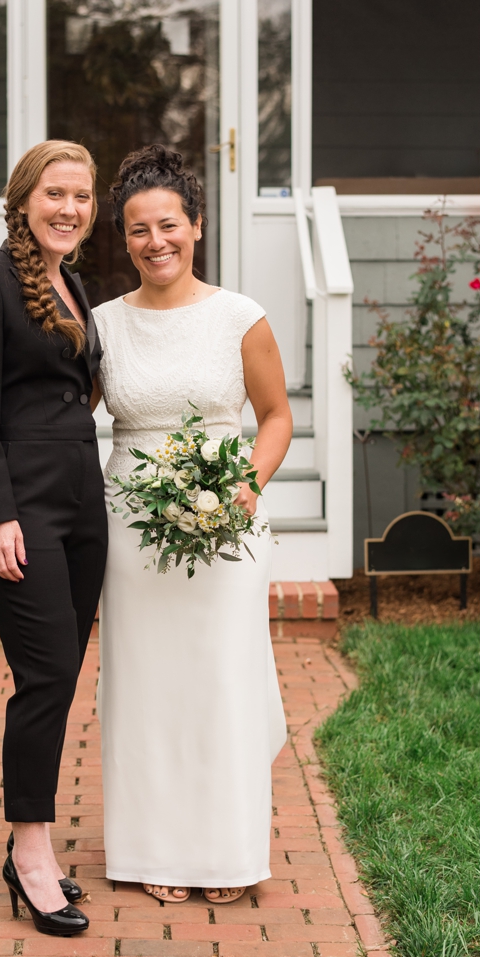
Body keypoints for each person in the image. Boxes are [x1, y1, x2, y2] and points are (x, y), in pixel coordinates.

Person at [94, 145, 292, 905]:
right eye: (138, 229)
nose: (155, 241)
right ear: (125, 237)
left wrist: (245, 484)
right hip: (131, 529)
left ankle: (227, 852)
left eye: (168, 223)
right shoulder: (104, 326)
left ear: (197, 225)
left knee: (220, 678)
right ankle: (154, 846)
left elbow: (275, 416)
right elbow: (68, 418)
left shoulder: (241, 317)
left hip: (227, 525)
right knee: (144, 684)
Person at [0, 140, 105, 937]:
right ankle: (30, 852)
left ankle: (30, 843)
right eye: (55, 193)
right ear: (22, 200)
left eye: (81, 195)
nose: (70, 207)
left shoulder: (72, 282)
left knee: (63, 674)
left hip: (84, 504)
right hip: (24, 510)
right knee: (44, 677)